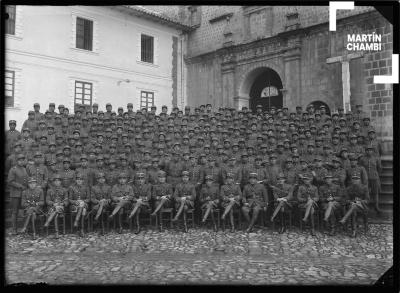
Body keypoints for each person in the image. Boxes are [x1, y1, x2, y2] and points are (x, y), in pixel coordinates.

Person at [7, 153, 29, 235]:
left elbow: (26, 180)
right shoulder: (13, 169)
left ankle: (24, 229)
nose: (21, 161)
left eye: (23, 160)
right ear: (17, 161)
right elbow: (10, 181)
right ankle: (14, 229)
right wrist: (20, 186)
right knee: (15, 212)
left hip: (23, 194)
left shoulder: (24, 169)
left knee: (25, 211)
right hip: (15, 194)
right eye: (20, 160)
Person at [44, 174, 69, 238]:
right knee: (56, 215)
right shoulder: (49, 190)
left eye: (58, 181)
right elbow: (47, 201)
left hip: (61, 208)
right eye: (55, 181)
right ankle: (56, 232)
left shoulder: (64, 190)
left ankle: (48, 222)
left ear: (61, 182)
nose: (57, 182)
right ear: (53, 182)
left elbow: (66, 201)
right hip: (52, 208)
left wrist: (62, 204)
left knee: (57, 209)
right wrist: (53, 204)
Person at [359, 146, 382, 215]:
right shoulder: (362, 159)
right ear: (365, 151)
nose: (369, 152)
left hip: (374, 178)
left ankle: (376, 206)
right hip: (365, 179)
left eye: (370, 150)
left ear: (373, 151)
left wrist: (376, 174)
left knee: (375, 193)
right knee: (365, 193)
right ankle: (365, 207)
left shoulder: (376, 158)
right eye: (368, 150)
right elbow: (360, 169)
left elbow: (379, 168)